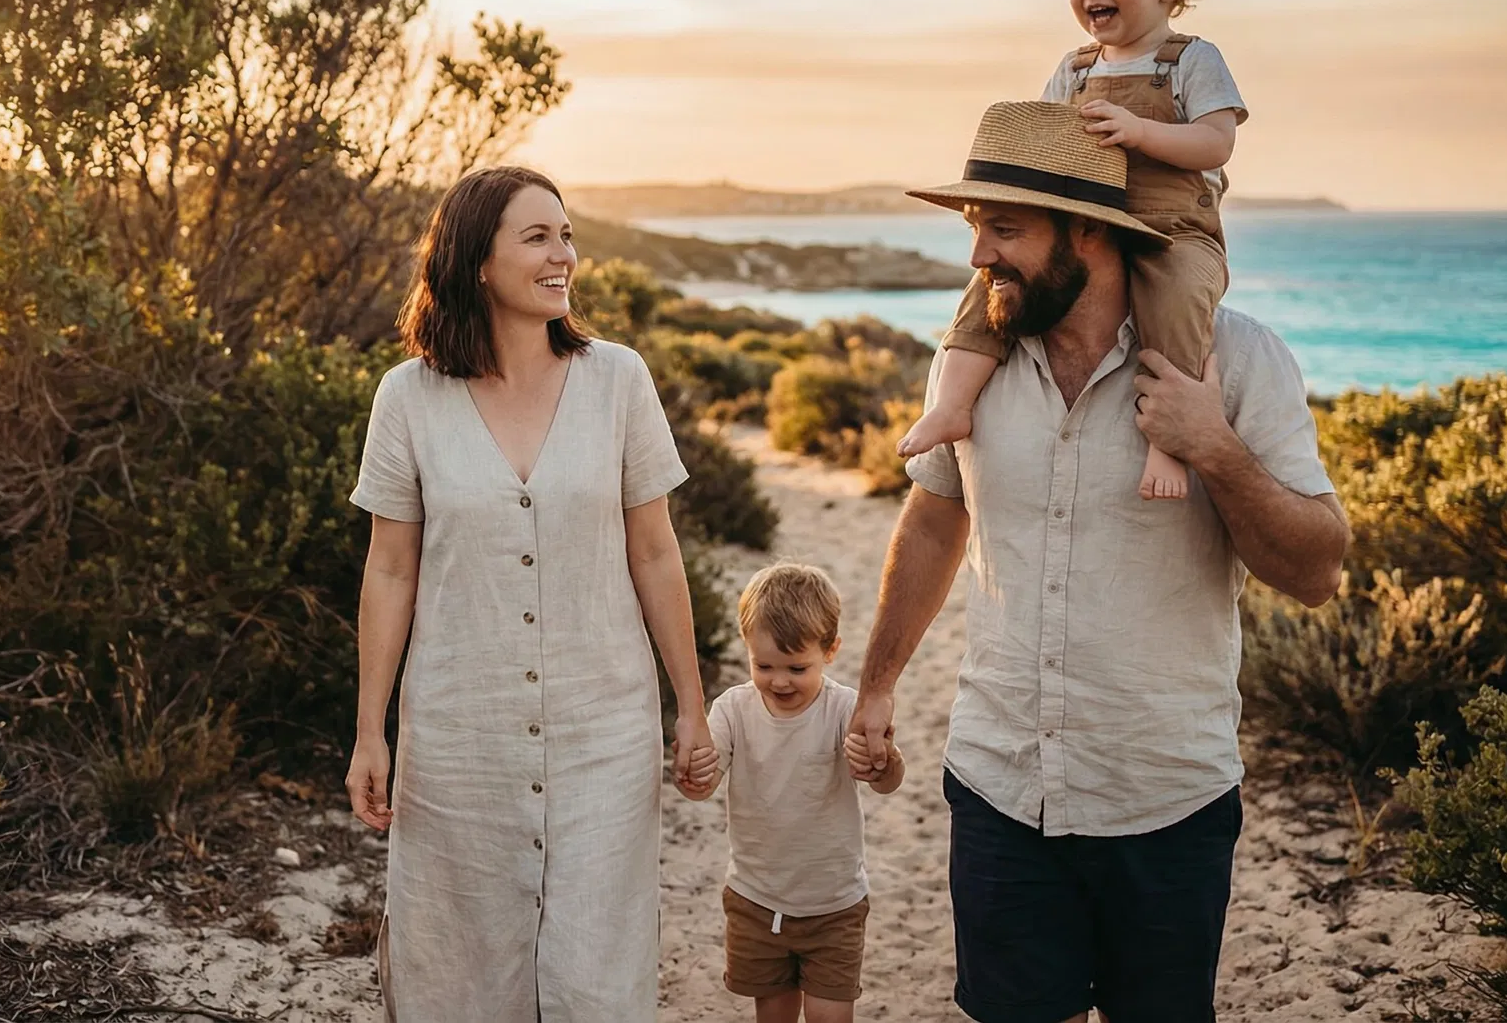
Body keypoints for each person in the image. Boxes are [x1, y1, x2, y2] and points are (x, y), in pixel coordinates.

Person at [851, 102, 1349, 1023]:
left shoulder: (1236, 363)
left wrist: (1216, 449)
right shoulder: (969, 365)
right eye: (975, 228)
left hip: (1165, 799)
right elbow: (932, 520)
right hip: (1000, 787)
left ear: (1090, 229)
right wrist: (877, 686)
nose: (978, 258)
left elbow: (1317, 570)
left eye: (1005, 229)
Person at [344, 164, 718, 1023]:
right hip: (457, 739)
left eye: (569, 235)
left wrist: (689, 705)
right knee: (457, 973)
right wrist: (372, 730)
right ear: (477, 260)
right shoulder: (408, 399)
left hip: (605, 736)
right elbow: (389, 569)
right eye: (538, 237)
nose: (564, 257)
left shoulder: (618, 379)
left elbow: (656, 552)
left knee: (598, 974)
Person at [899, 0, 1247, 504]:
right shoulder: (1076, 67)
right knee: (991, 288)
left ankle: (1167, 438)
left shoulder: (1190, 60)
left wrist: (1141, 131)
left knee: (1179, 296)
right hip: (1086, 218)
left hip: (1172, 224)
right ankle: (953, 405)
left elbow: (1216, 144)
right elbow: (1045, 144)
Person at [679, 562, 905, 1023]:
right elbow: (705, 783)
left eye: (797, 667)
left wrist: (884, 761)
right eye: (764, 666)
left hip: (834, 905)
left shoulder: (845, 708)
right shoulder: (733, 710)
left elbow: (886, 783)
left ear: (831, 650)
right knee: (774, 1014)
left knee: (829, 1015)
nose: (780, 681)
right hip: (756, 899)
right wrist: (694, 776)